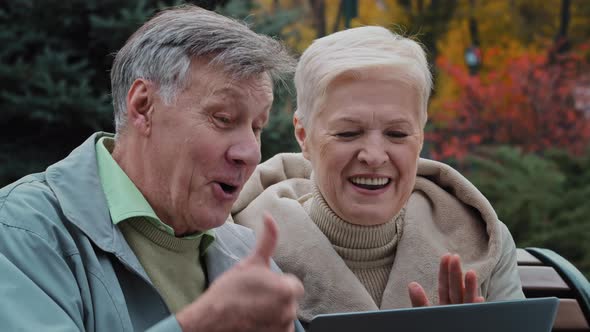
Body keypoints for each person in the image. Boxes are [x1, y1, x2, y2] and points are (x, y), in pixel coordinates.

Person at [0, 5, 304, 332]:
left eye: (257, 127)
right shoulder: (21, 231)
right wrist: (200, 324)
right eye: (224, 119)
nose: (249, 152)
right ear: (143, 107)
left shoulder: (247, 254)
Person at [232, 26, 525, 327]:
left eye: (397, 134)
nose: (373, 156)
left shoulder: (482, 239)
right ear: (303, 136)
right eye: (348, 133)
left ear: (420, 138)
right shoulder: (234, 247)